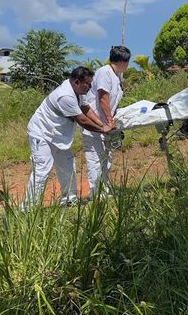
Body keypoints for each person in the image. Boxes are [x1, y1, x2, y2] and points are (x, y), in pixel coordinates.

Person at [21, 67, 112, 211]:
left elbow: (86, 109)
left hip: (57, 134)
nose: (90, 87)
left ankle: (68, 199)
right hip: (41, 133)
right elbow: (82, 120)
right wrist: (102, 130)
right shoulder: (65, 96)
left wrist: (103, 124)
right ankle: (28, 208)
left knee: (67, 165)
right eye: (87, 84)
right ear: (77, 81)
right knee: (42, 170)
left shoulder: (78, 91)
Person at [82, 45, 131, 197]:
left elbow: (112, 103)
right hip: (95, 123)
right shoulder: (105, 72)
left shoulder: (115, 76)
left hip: (106, 124)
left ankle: (104, 189)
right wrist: (109, 121)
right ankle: (95, 193)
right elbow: (103, 97)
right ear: (123, 61)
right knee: (95, 158)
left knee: (106, 158)